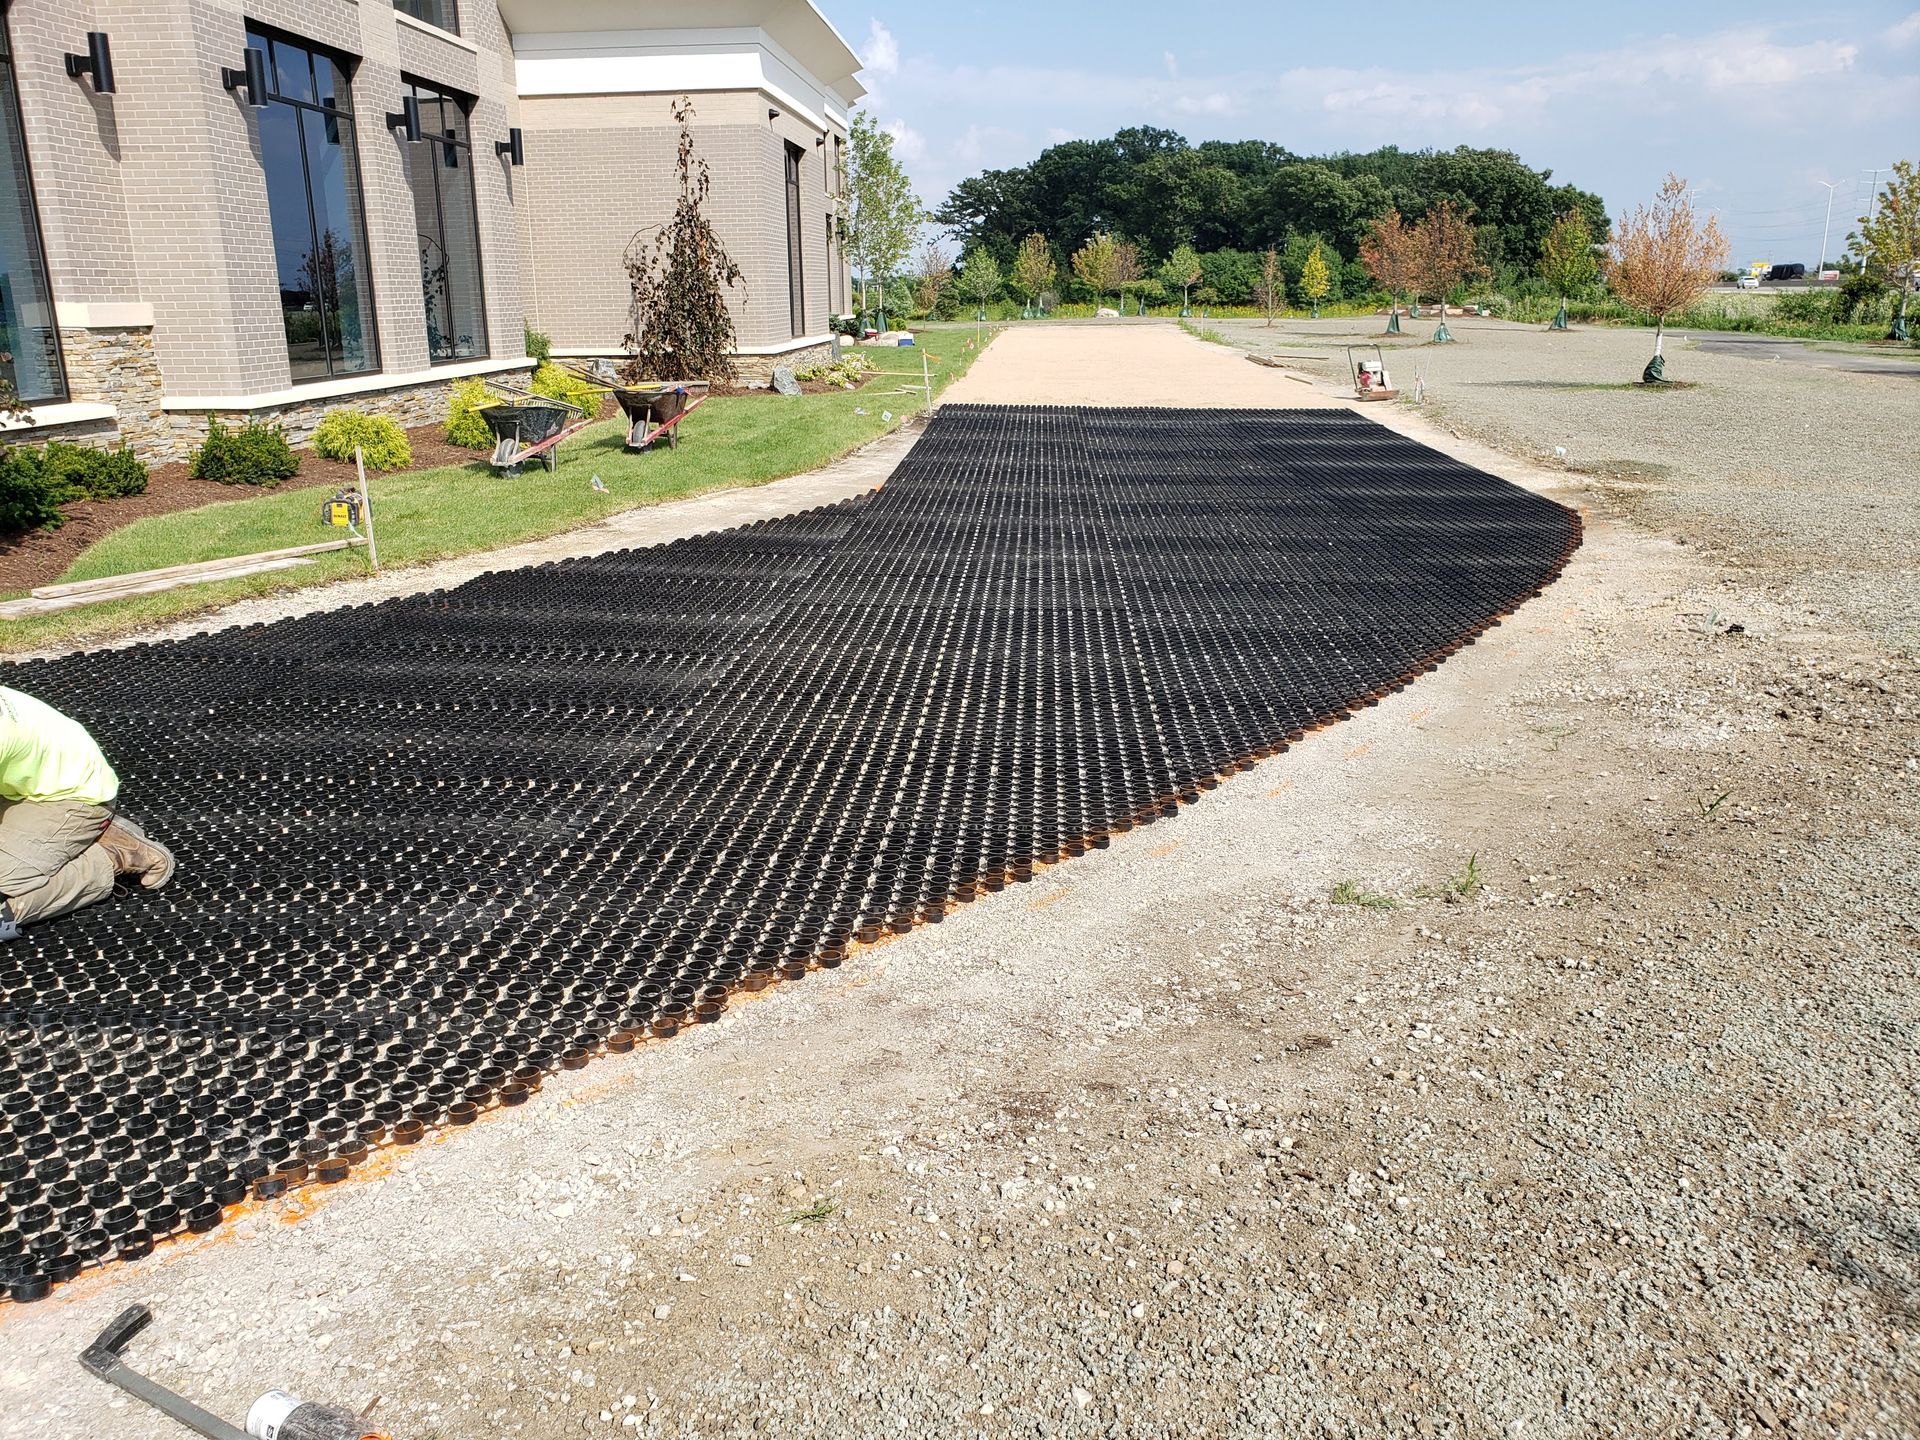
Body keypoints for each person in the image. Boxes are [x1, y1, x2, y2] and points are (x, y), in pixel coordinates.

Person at [0, 685, 173, 941]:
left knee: (8, 882)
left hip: (72, 798)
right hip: (21, 786)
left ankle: (109, 854)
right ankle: (81, 838)